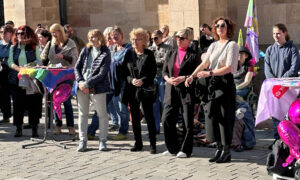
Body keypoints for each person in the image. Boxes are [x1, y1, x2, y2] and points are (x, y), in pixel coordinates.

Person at [185, 16, 239, 163]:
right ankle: (219, 148)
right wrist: (192, 76)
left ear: (228, 28)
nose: (219, 28)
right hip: (213, 84)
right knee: (214, 118)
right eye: (217, 26)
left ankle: (226, 151)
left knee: (225, 118)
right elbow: (204, 63)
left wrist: (210, 73)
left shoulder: (232, 45)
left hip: (225, 84)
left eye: (222, 25)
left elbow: (230, 67)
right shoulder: (214, 45)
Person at [161, 28, 200, 158]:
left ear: (188, 40)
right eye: (177, 37)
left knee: (187, 121)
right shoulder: (171, 52)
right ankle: (172, 147)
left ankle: (186, 149)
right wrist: (168, 79)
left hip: (186, 90)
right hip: (171, 89)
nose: (178, 40)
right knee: (166, 118)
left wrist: (183, 78)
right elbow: (164, 71)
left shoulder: (194, 54)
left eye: (182, 38)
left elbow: (197, 74)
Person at [264, 23, 300, 149]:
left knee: (288, 114)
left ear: (285, 33)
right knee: (276, 115)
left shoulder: (292, 48)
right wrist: (274, 81)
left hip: (288, 87)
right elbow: (267, 69)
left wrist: (282, 81)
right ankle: (277, 141)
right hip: (274, 88)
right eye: (274, 33)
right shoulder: (269, 50)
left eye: (278, 33)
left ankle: (289, 141)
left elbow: (294, 68)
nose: (276, 36)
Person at [75, 29, 111, 152]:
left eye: (94, 36)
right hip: (82, 86)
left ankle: (102, 141)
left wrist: (87, 83)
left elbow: (103, 73)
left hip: (98, 87)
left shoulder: (106, 52)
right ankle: (82, 140)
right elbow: (77, 67)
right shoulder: (86, 50)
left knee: (102, 114)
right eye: (89, 36)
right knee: (82, 113)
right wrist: (80, 81)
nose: (91, 39)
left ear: (100, 38)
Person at [122, 28, 157, 154]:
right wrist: (131, 80)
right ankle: (138, 143)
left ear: (144, 41)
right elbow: (124, 72)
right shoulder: (128, 53)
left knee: (149, 117)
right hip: (132, 90)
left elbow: (153, 72)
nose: (134, 42)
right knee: (135, 118)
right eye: (132, 39)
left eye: (137, 39)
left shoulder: (149, 54)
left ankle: (153, 144)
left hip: (145, 89)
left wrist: (142, 80)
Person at [40, 23, 78, 135]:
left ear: (60, 32)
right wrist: (43, 51)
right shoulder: (51, 43)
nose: (53, 35)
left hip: (66, 75)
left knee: (66, 101)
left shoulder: (70, 43)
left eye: (54, 32)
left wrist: (64, 56)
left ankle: (71, 126)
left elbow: (75, 59)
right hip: (53, 75)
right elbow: (44, 58)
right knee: (56, 101)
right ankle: (58, 126)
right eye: (52, 33)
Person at [7, 25, 43, 137]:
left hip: (32, 80)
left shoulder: (34, 47)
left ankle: (34, 128)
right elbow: (10, 62)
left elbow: (39, 61)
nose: (19, 35)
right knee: (18, 105)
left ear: (28, 35)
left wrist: (29, 67)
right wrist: (20, 69)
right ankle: (18, 128)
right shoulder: (13, 48)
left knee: (34, 105)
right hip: (17, 81)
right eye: (17, 33)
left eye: (22, 33)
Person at [148, 30, 172, 134]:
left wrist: (154, 61)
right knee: (154, 104)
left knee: (164, 103)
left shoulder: (168, 48)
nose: (154, 40)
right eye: (152, 39)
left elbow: (165, 61)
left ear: (161, 37)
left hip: (163, 77)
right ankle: (156, 127)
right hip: (153, 78)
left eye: (156, 38)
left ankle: (167, 127)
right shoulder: (150, 49)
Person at [0, 25, 14, 124]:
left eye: (5, 32)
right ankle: (6, 116)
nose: (3, 34)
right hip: (1, 72)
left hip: (11, 71)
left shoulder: (13, 45)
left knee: (13, 95)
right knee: (3, 95)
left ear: (11, 33)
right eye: (1, 32)